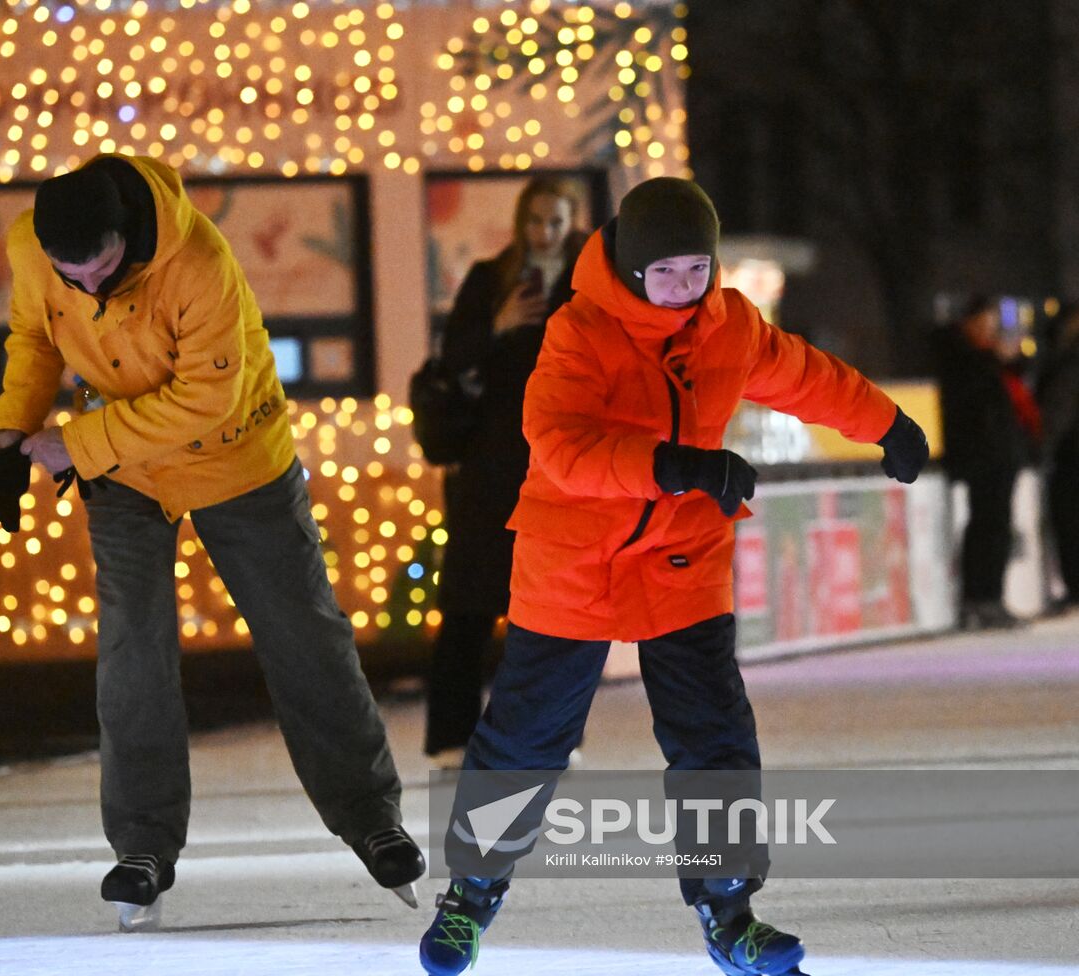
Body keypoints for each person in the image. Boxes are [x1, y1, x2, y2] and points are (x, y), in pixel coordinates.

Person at [416, 177, 928, 976]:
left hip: (682, 554)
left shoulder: (728, 326)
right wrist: (672, 463)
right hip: (574, 553)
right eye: (668, 275)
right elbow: (559, 445)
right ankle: (470, 895)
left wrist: (884, 422)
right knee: (526, 739)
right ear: (629, 269)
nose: (686, 290)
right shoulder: (577, 332)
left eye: (699, 270)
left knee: (715, 735)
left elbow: (805, 375)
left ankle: (730, 911)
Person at [0, 154, 424, 930]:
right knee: (132, 651)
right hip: (126, 474)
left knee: (302, 635)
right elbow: (34, 339)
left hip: (235, 458)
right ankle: (142, 846)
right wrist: (11, 437)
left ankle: (369, 815)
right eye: (67, 273)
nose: (85, 288)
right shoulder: (29, 248)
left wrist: (72, 445)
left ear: (128, 237)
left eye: (101, 270)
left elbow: (205, 399)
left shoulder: (198, 262)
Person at [424, 176, 586, 765]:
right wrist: (499, 325)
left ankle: (551, 736)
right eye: (537, 220)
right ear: (521, 222)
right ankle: (450, 736)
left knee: (555, 609)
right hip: (492, 462)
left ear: (572, 223)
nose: (545, 232)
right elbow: (452, 360)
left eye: (556, 222)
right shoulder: (493, 279)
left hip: (561, 462)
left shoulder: (588, 280)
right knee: (469, 602)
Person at [934, 297, 1030, 629]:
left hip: (999, 456)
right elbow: (974, 412)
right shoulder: (965, 363)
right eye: (986, 325)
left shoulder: (987, 364)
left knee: (997, 527)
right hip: (984, 457)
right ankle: (980, 599)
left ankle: (992, 598)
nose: (991, 333)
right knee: (986, 528)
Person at [1038, 303, 1079, 610]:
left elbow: (1057, 412)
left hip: (1071, 458)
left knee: (1069, 522)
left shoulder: (1068, 363)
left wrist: (1041, 446)